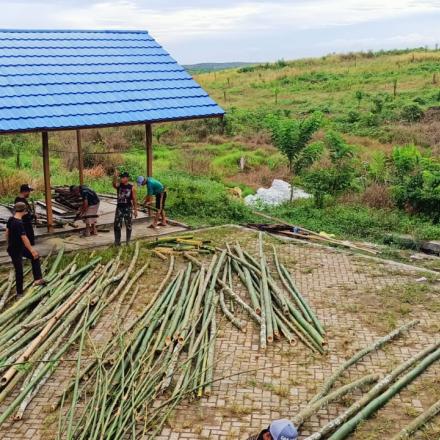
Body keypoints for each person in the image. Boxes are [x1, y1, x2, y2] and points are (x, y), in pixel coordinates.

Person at [6, 202, 45, 298]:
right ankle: (19, 293)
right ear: (24, 211)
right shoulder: (18, 223)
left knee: (35, 257)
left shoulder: (10, 220)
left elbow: (7, 233)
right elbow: (24, 238)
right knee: (19, 270)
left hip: (16, 247)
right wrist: (32, 249)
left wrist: (9, 244)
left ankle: (37, 279)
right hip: (16, 250)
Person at [113, 170, 138, 246]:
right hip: (119, 208)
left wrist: (135, 210)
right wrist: (115, 176)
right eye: (121, 178)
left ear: (127, 178)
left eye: (123, 178)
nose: (122, 179)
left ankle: (128, 241)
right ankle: (117, 242)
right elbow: (114, 184)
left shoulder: (132, 187)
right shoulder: (119, 185)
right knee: (117, 225)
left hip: (128, 208)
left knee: (129, 225)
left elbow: (134, 199)